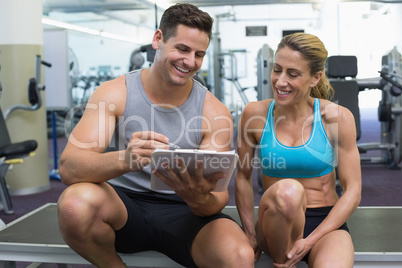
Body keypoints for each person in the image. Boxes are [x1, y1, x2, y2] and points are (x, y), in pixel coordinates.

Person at [57, 3, 254, 268]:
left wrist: (198, 197)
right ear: (158, 39)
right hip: (123, 208)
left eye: (199, 54)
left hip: (186, 212)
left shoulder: (214, 111)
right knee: (74, 205)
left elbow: (217, 200)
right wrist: (126, 159)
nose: (191, 62)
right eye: (182, 49)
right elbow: (69, 168)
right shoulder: (114, 93)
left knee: (239, 257)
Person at [235, 32, 361, 268]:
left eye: (292, 74)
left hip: (325, 221)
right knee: (289, 192)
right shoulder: (255, 114)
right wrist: (250, 235)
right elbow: (242, 178)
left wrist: (311, 240)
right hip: (274, 222)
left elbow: (353, 191)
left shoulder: (336, 117)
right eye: (277, 70)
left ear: (315, 78)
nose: (280, 81)